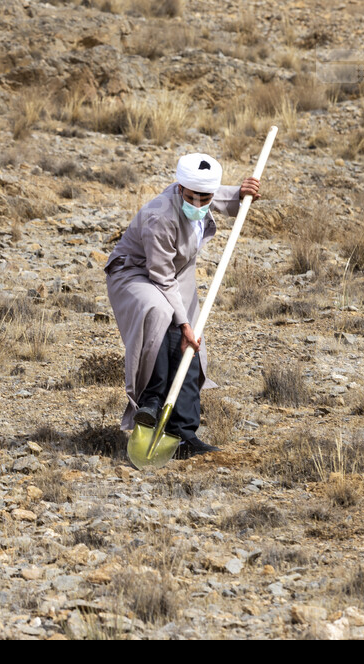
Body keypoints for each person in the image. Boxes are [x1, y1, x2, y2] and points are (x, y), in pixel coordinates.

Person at [104, 153, 260, 459]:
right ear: (179, 188)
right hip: (135, 272)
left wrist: (240, 193)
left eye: (206, 199)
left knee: (192, 345)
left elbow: (212, 196)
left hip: (175, 275)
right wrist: (184, 324)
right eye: (192, 198)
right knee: (162, 316)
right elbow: (160, 277)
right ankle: (150, 401)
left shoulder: (200, 195)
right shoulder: (159, 215)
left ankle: (183, 434)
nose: (199, 205)